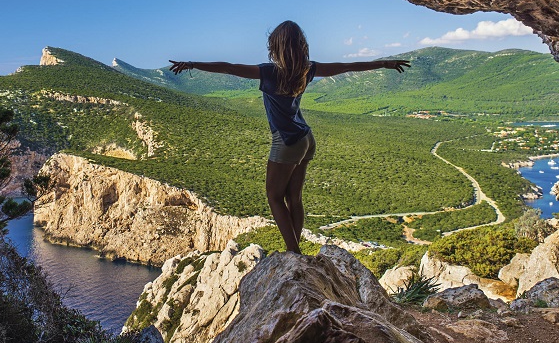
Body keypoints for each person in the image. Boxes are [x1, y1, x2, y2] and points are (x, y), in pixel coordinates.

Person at [170, 21, 410, 254]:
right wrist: (384, 63)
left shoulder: (268, 72)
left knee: (274, 197)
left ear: (275, 46)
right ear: (301, 45)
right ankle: (295, 250)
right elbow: (346, 66)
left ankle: (293, 252)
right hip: (306, 139)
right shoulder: (309, 68)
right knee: (293, 198)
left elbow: (229, 67)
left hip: (286, 142)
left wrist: (192, 64)